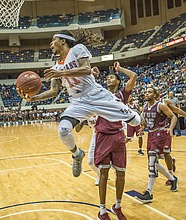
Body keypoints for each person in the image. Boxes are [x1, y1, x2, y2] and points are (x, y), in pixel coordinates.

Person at [18, 29, 140, 179]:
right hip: (78, 101)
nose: (50, 44)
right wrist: (33, 99)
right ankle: (77, 154)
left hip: (96, 95)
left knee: (136, 120)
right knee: (63, 130)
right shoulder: (56, 66)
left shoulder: (77, 49)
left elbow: (86, 69)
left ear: (63, 41)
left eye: (53, 40)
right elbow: (54, 91)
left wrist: (62, 73)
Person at [93, 61, 136, 220]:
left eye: (112, 78)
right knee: (103, 174)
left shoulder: (122, 95)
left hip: (118, 136)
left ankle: (117, 206)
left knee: (121, 174)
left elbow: (133, 76)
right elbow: (85, 88)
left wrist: (119, 69)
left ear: (118, 81)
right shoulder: (100, 93)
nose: (109, 79)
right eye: (108, 78)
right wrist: (91, 74)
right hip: (103, 136)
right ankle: (102, 210)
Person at [136, 86, 178, 203]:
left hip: (161, 133)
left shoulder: (160, 105)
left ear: (155, 95)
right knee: (154, 162)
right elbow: (144, 123)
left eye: (149, 92)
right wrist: (142, 128)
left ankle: (149, 192)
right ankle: (172, 179)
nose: (146, 93)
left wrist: (170, 128)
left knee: (152, 161)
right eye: (145, 92)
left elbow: (173, 116)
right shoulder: (144, 107)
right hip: (151, 134)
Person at [156, 89, 186, 186]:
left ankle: (171, 176)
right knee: (156, 155)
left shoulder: (165, 102)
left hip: (164, 131)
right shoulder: (148, 104)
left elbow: (177, 110)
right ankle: (171, 160)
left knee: (165, 153)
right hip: (154, 133)